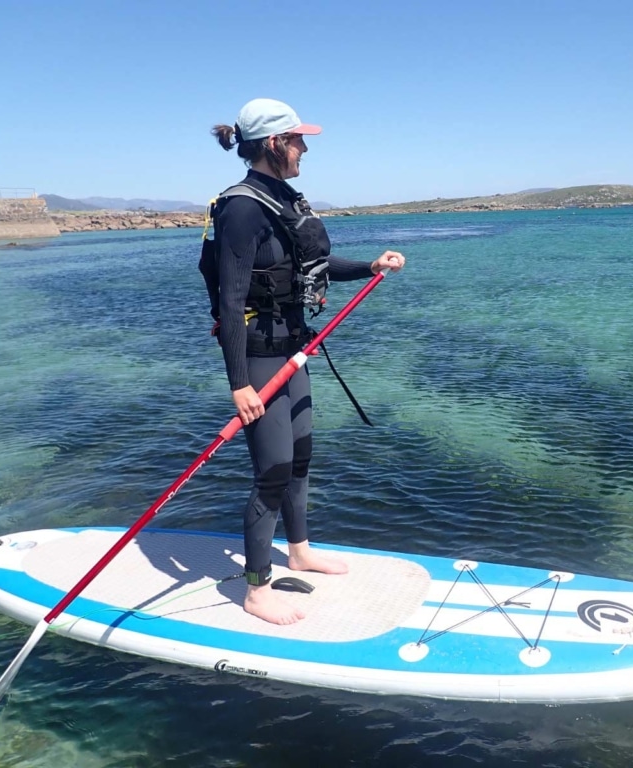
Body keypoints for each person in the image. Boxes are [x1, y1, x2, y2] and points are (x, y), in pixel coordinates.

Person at [209, 98, 405, 625]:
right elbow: (230, 303)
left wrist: (369, 265)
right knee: (271, 473)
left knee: (300, 459)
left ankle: (298, 549)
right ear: (274, 143)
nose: (305, 148)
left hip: (293, 353)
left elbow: (309, 268)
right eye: (298, 139)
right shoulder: (242, 208)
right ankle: (256, 590)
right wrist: (238, 385)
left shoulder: (283, 197)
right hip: (257, 360)